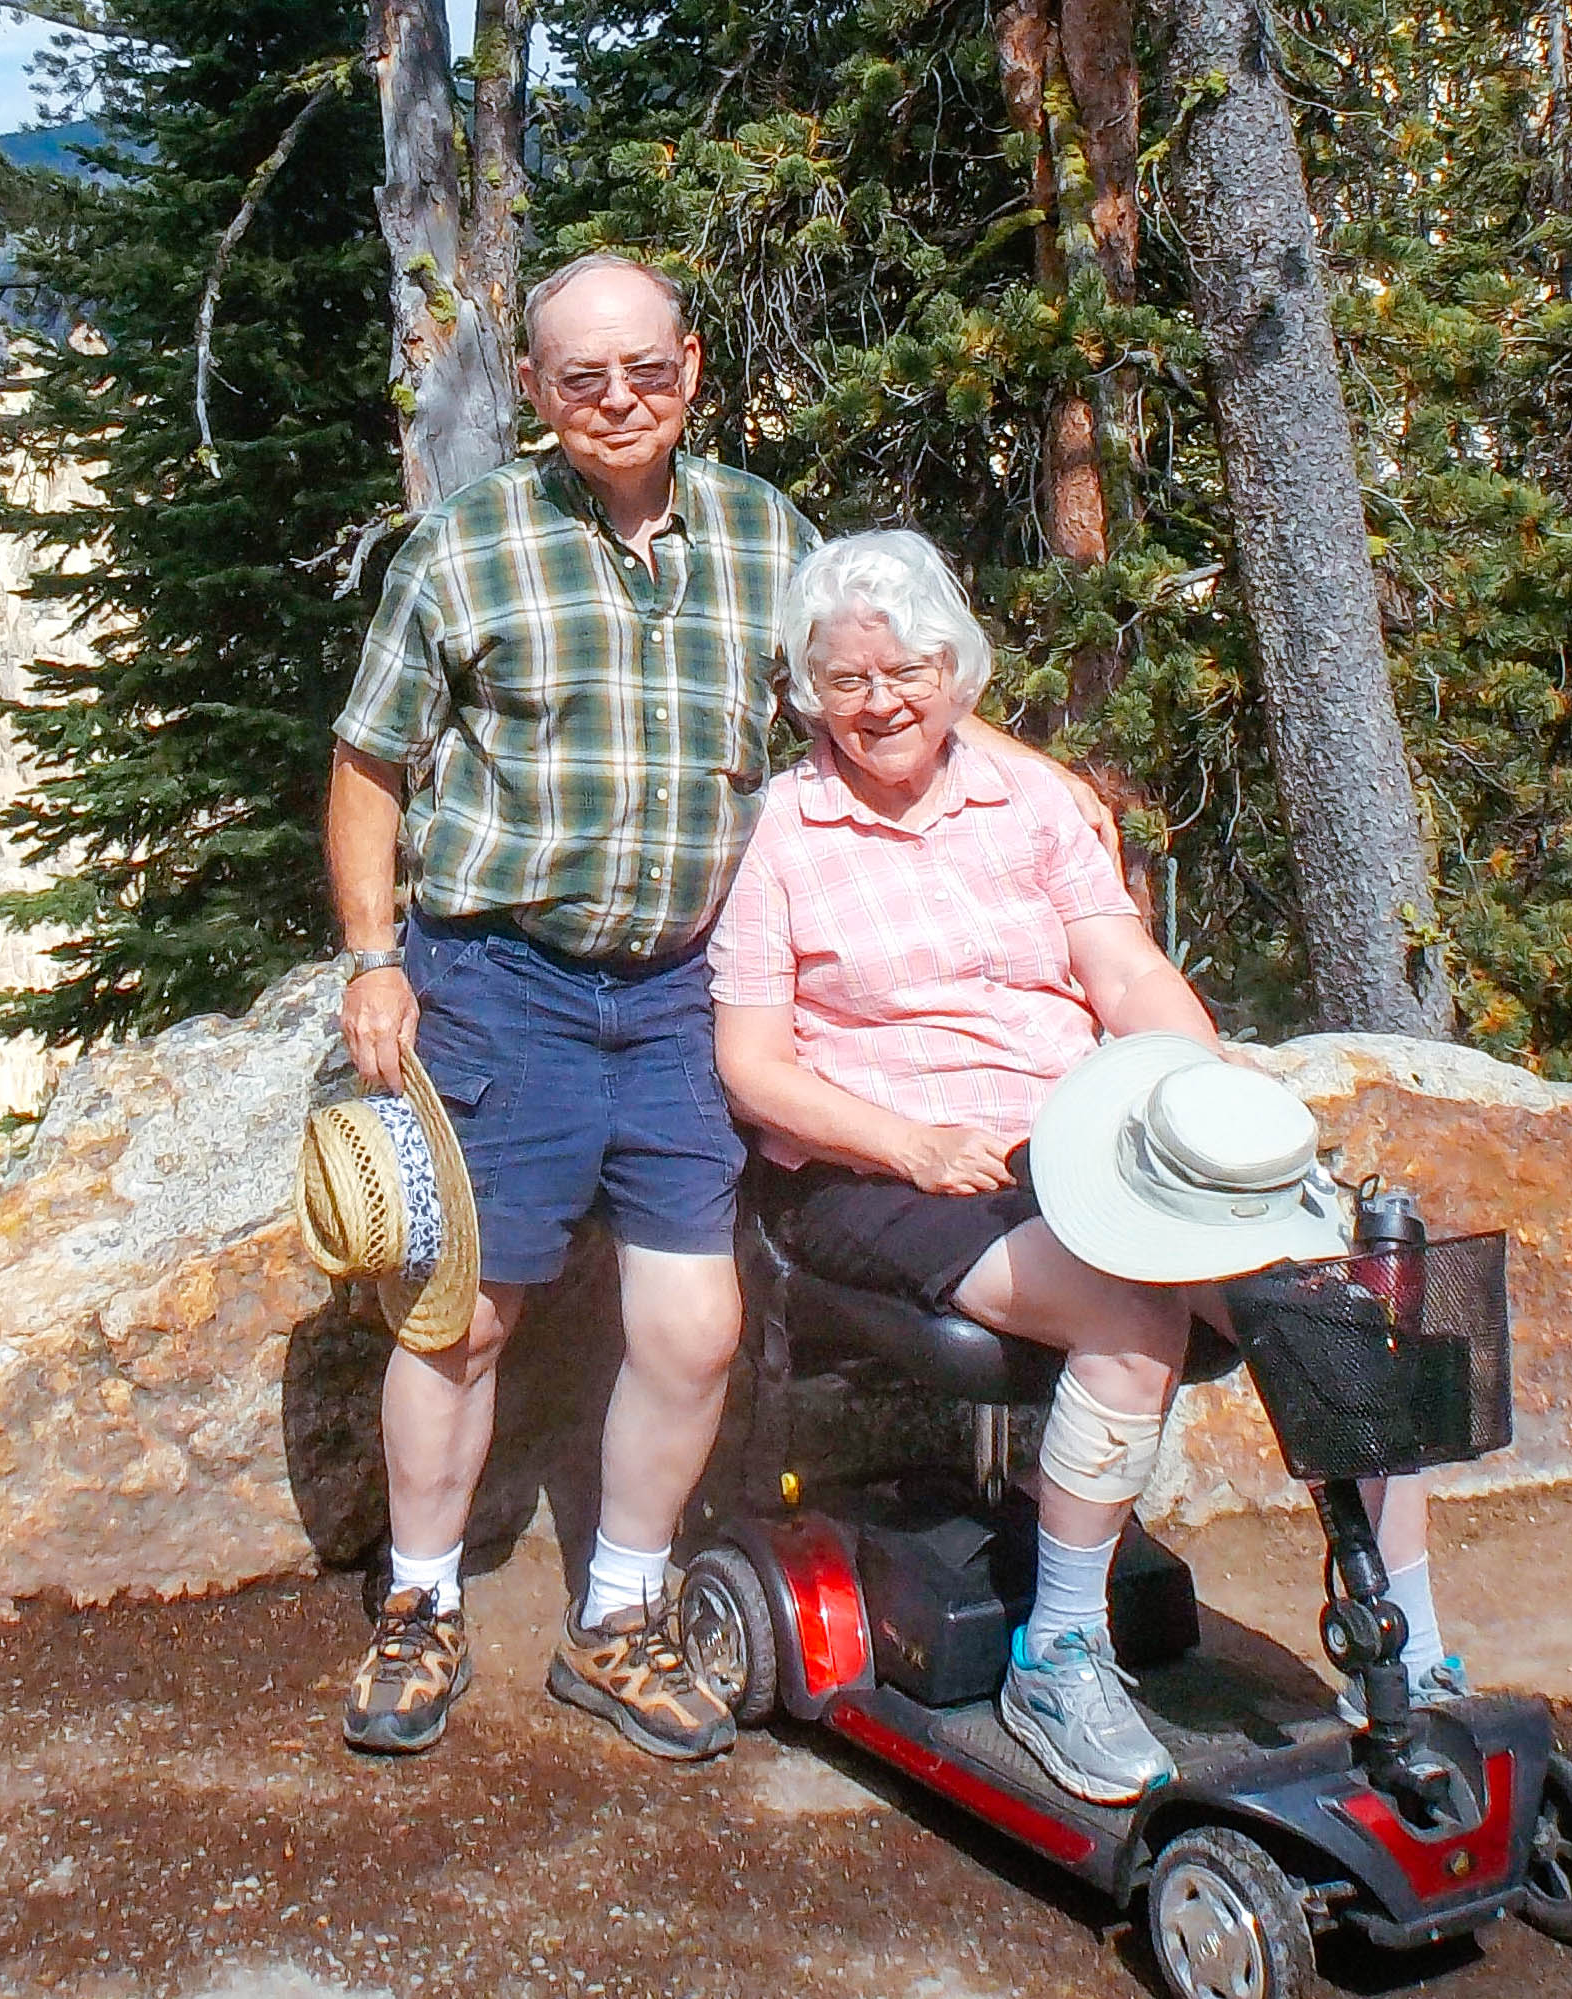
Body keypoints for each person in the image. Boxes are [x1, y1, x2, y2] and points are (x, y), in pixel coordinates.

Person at [325, 257, 1113, 1762]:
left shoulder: (766, 535)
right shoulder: (468, 544)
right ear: (538, 392)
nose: (616, 399)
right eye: (578, 378)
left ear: (690, 364)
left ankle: (616, 1613)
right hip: (500, 982)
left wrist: (1028, 763)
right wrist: (374, 957)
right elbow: (369, 761)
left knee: (690, 1327)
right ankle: (419, 1601)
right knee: (461, 1316)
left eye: (644, 368)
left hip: (688, 989)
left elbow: (870, 681)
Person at [709, 531, 1467, 1805]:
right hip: (875, 1169)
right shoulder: (789, 831)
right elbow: (753, 1064)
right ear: (808, 694)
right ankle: (1058, 1651)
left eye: (907, 671)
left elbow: (1121, 972)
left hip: (1077, 1142)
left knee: (1335, 1308)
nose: (879, 701)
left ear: (957, 675)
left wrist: (1193, 1083)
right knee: (1128, 1309)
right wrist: (906, 1142)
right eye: (845, 681)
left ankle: (1407, 1641)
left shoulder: (1036, 806)